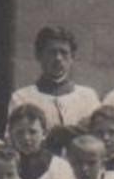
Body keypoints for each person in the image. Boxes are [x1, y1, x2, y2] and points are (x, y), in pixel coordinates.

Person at [8, 26, 101, 155]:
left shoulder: (88, 96)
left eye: (64, 53)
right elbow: (13, 140)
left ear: (72, 57)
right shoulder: (22, 97)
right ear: (39, 55)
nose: (58, 58)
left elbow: (98, 136)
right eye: (52, 52)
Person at [6, 102, 75, 179]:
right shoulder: (4, 164)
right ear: (11, 134)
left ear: (44, 133)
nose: (26, 138)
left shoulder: (59, 166)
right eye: (20, 132)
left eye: (32, 132)